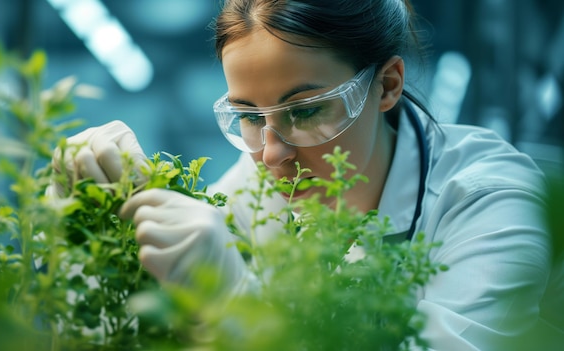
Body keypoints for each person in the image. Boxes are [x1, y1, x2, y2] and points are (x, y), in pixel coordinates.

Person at [49, 0, 564, 349]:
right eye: (249, 118)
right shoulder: (256, 185)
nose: (272, 154)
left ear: (386, 84)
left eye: (305, 111)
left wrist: (236, 305)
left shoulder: (488, 200)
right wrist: (91, 222)